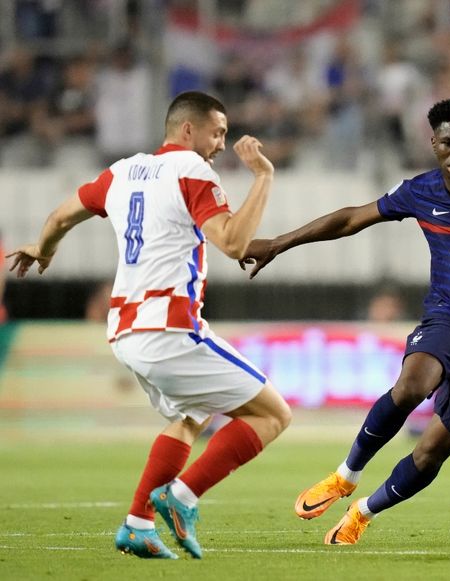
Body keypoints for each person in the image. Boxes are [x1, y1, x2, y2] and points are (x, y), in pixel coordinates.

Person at [239, 96, 450, 545]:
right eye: (448, 143)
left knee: (431, 451)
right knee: (410, 386)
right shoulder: (420, 191)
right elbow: (350, 220)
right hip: (449, 316)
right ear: (433, 144)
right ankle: (345, 475)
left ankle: (362, 514)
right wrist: (280, 243)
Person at [6, 91, 291, 559]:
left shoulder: (122, 172)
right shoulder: (193, 171)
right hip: (170, 328)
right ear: (187, 130)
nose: (221, 143)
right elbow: (234, 244)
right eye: (217, 132)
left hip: (126, 329)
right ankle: (182, 497)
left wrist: (44, 248)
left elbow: (61, 215)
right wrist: (263, 175)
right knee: (273, 414)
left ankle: (138, 523)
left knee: (191, 415)